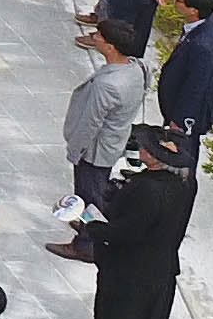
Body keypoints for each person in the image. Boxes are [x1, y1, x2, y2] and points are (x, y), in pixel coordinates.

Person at [82, 127, 199, 319]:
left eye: (146, 148)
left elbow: (127, 231)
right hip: (161, 265)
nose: (141, 149)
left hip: (130, 269)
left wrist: (92, 228)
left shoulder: (149, 190)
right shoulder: (186, 183)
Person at [59, 14, 150, 228]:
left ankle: (88, 241)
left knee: (89, 197)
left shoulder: (107, 85)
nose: (94, 37)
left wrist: (75, 150)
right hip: (114, 141)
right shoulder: (137, 68)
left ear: (111, 47)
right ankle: (86, 227)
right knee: (94, 191)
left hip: (95, 150)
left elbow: (90, 123)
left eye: (99, 36)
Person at [158, 0, 213, 162]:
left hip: (188, 114)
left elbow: (196, 87)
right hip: (182, 105)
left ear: (193, 11)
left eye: (179, 1)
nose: (175, 2)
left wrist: (179, 121)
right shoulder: (212, 23)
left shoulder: (202, 45)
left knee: (181, 153)